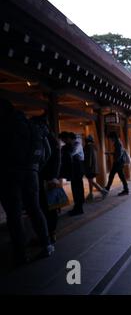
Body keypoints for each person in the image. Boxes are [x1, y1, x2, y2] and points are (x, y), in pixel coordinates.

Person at [0, 99, 54, 265]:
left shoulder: (5, 125)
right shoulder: (33, 127)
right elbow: (47, 152)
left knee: (14, 214)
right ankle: (47, 244)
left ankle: (21, 253)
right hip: (32, 173)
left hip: (10, 173)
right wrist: (36, 168)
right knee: (34, 209)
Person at [31, 115, 61, 244]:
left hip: (44, 178)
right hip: (52, 178)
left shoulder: (42, 138)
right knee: (52, 207)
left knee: (43, 207)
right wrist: (55, 176)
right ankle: (52, 233)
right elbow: (58, 161)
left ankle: (45, 236)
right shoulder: (54, 139)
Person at [59, 132, 85, 216]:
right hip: (74, 170)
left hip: (78, 169)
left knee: (77, 188)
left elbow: (71, 153)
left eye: (64, 139)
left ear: (69, 138)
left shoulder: (77, 144)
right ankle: (77, 207)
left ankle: (79, 208)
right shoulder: (68, 146)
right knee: (75, 188)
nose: (64, 141)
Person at [84, 135, 108, 201]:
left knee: (91, 181)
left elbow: (89, 158)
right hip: (94, 167)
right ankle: (91, 194)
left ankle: (103, 191)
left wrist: (86, 167)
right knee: (90, 181)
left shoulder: (88, 147)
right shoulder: (94, 147)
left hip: (90, 168)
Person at [105, 131, 129, 196]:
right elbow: (118, 153)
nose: (110, 140)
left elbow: (118, 154)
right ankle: (126, 189)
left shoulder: (117, 143)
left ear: (113, 137)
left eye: (110, 138)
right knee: (121, 176)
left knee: (112, 175)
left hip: (118, 162)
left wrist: (115, 161)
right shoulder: (118, 142)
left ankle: (107, 188)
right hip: (120, 162)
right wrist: (110, 153)